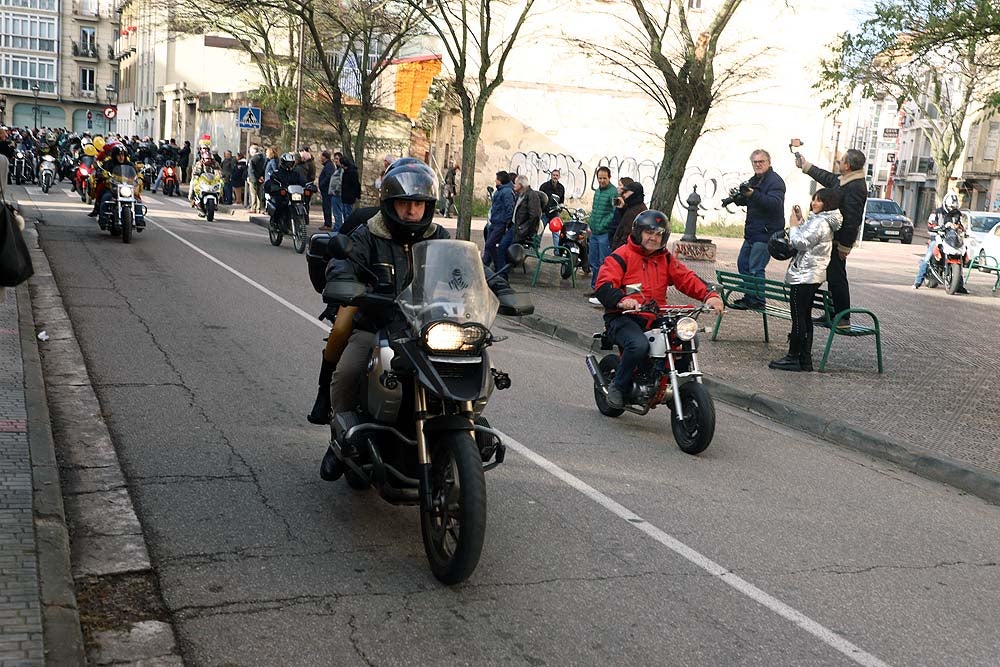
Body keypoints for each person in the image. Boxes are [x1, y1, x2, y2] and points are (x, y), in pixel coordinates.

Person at [318, 160, 452, 480]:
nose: (411, 211)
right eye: (405, 204)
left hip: (426, 329)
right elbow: (343, 263)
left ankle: (456, 437)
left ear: (427, 206)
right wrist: (344, 281)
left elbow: (465, 270)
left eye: (418, 204)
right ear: (391, 204)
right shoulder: (369, 234)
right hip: (377, 323)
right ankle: (341, 439)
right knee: (348, 372)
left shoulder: (440, 236)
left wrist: (497, 286)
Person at [594, 210, 724, 409]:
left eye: (658, 234)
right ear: (638, 232)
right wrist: (622, 300)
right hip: (623, 317)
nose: (653, 238)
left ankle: (678, 385)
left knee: (688, 339)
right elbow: (604, 285)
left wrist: (711, 296)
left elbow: (687, 278)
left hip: (655, 317)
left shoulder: (665, 259)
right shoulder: (621, 256)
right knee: (638, 345)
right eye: (649, 232)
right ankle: (618, 387)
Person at [769, 189, 843, 372]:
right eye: (814, 200)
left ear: (828, 204)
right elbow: (809, 239)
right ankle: (805, 359)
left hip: (805, 274)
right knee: (805, 316)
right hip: (812, 274)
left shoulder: (820, 222)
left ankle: (793, 357)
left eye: (819, 201)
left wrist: (793, 226)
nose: (814, 203)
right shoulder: (821, 221)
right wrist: (801, 220)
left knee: (798, 316)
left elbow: (800, 243)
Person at [795, 145, 868, 328]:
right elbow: (827, 177)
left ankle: (842, 316)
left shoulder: (856, 187)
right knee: (831, 275)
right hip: (831, 238)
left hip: (838, 240)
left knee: (836, 276)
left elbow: (852, 219)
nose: (839, 161)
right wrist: (806, 166)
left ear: (848, 166)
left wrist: (845, 246)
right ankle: (834, 312)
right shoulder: (845, 180)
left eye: (842, 160)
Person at [730, 149, 786, 309]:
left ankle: (758, 300)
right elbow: (751, 201)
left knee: (756, 267)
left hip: (767, 232)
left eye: (761, 161)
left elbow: (774, 204)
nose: (758, 164)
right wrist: (738, 198)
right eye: (755, 162)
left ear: (769, 162)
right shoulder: (754, 180)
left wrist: (752, 194)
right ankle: (750, 296)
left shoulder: (775, 181)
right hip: (753, 232)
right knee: (743, 264)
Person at [913, 192, 967, 292]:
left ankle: (959, 285)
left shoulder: (957, 214)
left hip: (951, 239)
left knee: (962, 255)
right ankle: (918, 281)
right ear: (946, 204)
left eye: (954, 207)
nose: (952, 209)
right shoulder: (936, 212)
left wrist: (961, 229)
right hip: (937, 238)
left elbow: (961, 226)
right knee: (927, 258)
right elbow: (930, 225)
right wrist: (937, 228)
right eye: (951, 207)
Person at [588, 166, 616, 299]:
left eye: (604, 178)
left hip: (604, 233)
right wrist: (591, 223)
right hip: (594, 232)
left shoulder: (614, 192)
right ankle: (595, 287)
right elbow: (594, 209)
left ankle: (601, 290)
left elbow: (614, 212)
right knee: (593, 261)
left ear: (609, 178)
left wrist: (603, 224)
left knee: (603, 262)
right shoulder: (597, 192)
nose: (602, 180)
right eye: (600, 178)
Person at [263, 152, 307, 232]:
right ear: (283, 163)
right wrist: (276, 188)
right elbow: (271, 182)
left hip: (293, 195)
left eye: (291, 163)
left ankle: (299, 223)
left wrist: (308, 186)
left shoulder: (295, 174)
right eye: (288, 163)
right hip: (282, 196)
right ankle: (275, 223)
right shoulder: (277, 173)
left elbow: (302, 181)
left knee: (303, 203)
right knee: (280, 205)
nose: (290, 165)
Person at [483, 171, 515, 270]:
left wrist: (507, 224)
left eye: (496, 179)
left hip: (500, 223)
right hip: (494, 222)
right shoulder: (499, 191)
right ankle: (486, 265)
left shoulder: (507, 192)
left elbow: (509, 208)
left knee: (490, 244)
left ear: (500, 180)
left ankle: (499, 266)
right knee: (488, 246)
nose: (495, 180)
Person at [610, 181, 647, 250]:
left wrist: (618, 250)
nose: (623, 194)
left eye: (626, 191)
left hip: (624, 252)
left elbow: (627, 235)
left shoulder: (636, 211)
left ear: (634, 193)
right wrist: (622, 209)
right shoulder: (633, 207)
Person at [539, 169, 566, 246]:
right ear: (551, 176)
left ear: (559, 177)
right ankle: (535, 249)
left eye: (557, 175)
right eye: (553, 175)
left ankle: (557, 252)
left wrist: (560, 209)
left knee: (556, 234)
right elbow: (539, 198)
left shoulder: (561, 188)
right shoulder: (544, 186)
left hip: (555, 214)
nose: (555, 177)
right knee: (539, 231)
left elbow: (562, 200)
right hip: (544, 213)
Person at [316, 150, 334, 231]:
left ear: (325, 157)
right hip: (325, 190)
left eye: (321, 157)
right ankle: (327, 223)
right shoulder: (328, 165)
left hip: (327, 190)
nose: (320, 159)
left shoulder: (329, 166)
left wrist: (322, 184)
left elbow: (328, 176)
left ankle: (328, 224)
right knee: (326, 207)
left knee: (327, 207)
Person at [339, 154, 361, 219]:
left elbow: (355, 184)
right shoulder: (348, 171)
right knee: (345, 212)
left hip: (349, 195)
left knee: (348, 213)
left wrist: (357, 195)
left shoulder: (351, 172)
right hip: (346, 195)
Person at [327, 152, 345, 231]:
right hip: (335, 194)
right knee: (336, 213)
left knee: (337, 213)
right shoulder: (337, 169)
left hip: (337, 194)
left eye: (337, 159)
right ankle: (337, 227)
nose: (336, 161)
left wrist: (336, 190)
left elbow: (340, 181)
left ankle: (338, 229)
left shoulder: (341, 170)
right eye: (335, 159)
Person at [247, 145, 265, 214]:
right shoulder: (263, 158)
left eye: (250, 151)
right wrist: (261, 177)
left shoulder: (252, 159)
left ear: (253, 151)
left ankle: (253, 208)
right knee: (259, 194)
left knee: (253, 193)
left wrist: (254, 178)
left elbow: (251, 170)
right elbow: (263, 168)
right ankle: (259, 208)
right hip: (260, 178)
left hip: (253, 179)